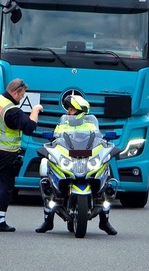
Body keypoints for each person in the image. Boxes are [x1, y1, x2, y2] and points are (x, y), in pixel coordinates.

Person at [35, 95, 117, 235]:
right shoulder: (63, 124)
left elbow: (98, 139)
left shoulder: (91, 124)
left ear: (80, 111)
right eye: (69, 109)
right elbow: (56, 140)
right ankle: (48, 221)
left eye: (72, 109)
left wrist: (105, 143)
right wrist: (50, 139)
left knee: (107, 172)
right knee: (46, 171)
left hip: (86, 159)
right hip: (70, 159)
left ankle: (105, 222)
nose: (69, 112)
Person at [0, 78, 43, 232]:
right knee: (4, 186)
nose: (22, 98)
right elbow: (29, 128)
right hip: (6, 154)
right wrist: (35, 110)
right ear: (15, 92)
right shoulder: (11, 110)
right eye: (21, 95)